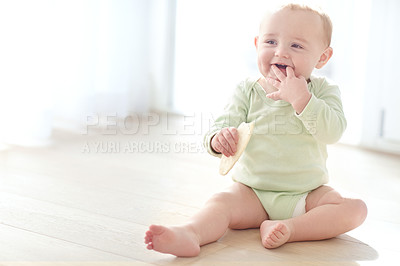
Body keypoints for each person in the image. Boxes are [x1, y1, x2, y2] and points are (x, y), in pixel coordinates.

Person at [144, 3, 367, 257]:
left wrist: (302, 100)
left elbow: (333, 132)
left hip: (306, 195)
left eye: (296, 45)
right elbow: (220, 125)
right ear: (257, 44)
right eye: (271, 41)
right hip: (252, 193)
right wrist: (219, 139)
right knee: (220, 203)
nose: (280, 53)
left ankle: (290, 228)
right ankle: (190, 233)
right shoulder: (247, 91)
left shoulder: (323, 92)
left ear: (323, 57)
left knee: (355, 209)